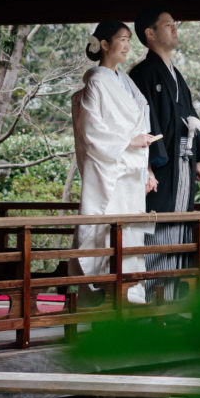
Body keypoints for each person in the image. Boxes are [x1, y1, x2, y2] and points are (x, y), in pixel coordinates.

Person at [71, 20, 162, 305]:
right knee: (108, 229)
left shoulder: (124, 80)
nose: (126, 44)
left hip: (131, 170)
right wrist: (127, 142)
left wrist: (146, 167)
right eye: (121, 39)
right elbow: (91, 130)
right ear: (104, 44)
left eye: (128, 39)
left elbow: (138, 123)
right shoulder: (97, 80)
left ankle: (131, 294)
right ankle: (105, 296)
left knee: (130, 233)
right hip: (110, 169)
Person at [128, 8, 200, 298]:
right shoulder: (141, 73)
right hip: (160, 166)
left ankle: (172, 301)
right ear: (150, 34)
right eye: (168, 25)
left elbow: (189, 115)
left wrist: (196, 160)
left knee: (180, 228)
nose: (174, 29)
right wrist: (153, 162)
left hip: (182, 165)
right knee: (158, 227)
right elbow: (143, 122)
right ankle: (152, 300)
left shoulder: (176, 74)